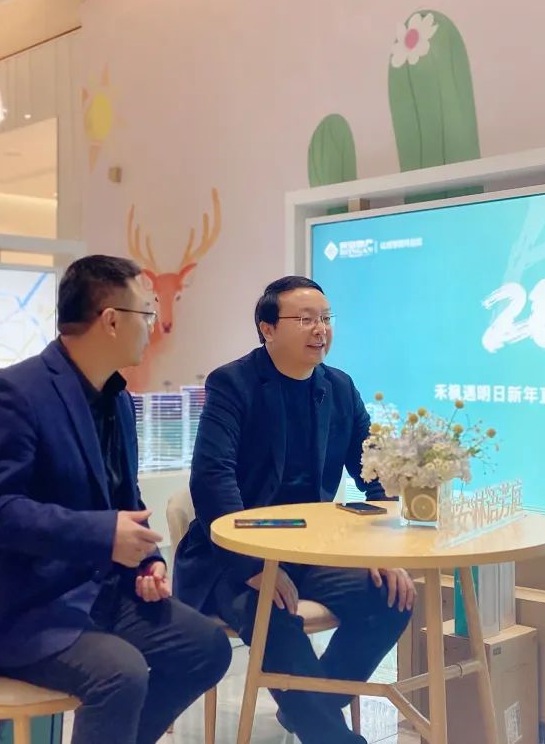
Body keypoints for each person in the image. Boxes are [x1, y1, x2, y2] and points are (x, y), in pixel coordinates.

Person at [0, 255, 231, 744]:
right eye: (146, 314)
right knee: (120, 673)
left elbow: (126, 501)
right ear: (111, 321)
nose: (153, 327)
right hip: (29, 611)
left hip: (104, 596)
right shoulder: (11, 394)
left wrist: (147, 561)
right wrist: (104, 535)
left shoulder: (119, 400)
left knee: (207, 647)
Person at [174, 275, 416, 744]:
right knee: (274, 617)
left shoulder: (339, 387)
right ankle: (332, 735)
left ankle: (307, 708)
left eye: (325, 318)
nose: (320, 329)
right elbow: (212, 477)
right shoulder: (233, 384)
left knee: (391, 598)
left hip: (308, 551)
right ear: (267, 328)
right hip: (232, 560)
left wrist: (383, 550)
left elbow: (377, 473)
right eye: (305, 319)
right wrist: (253, 565)